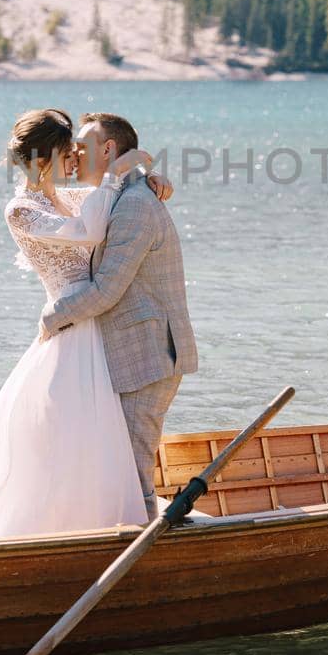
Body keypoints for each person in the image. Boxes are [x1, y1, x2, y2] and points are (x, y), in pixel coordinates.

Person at [0, 107, 169, 543]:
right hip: (68, 328)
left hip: (96, 327)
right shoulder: (21, 209)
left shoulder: (74, 196)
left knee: (99, 440)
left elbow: (116, 205)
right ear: (44, 157)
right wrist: (120, 170)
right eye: (69, 152)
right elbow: (88, 232)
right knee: (65, 437)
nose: (75, 160)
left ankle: (105, 529)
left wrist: (150, 180)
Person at [39, 112, 198, 520]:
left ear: (109, 149)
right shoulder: (119, 196)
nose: (74, 153)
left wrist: (53, 317)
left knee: (131, 474)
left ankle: (144, 557)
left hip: (146, 356)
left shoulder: (134, 205)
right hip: (127, 354)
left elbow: (108, 289)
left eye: (83, 146)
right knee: (115, 468)